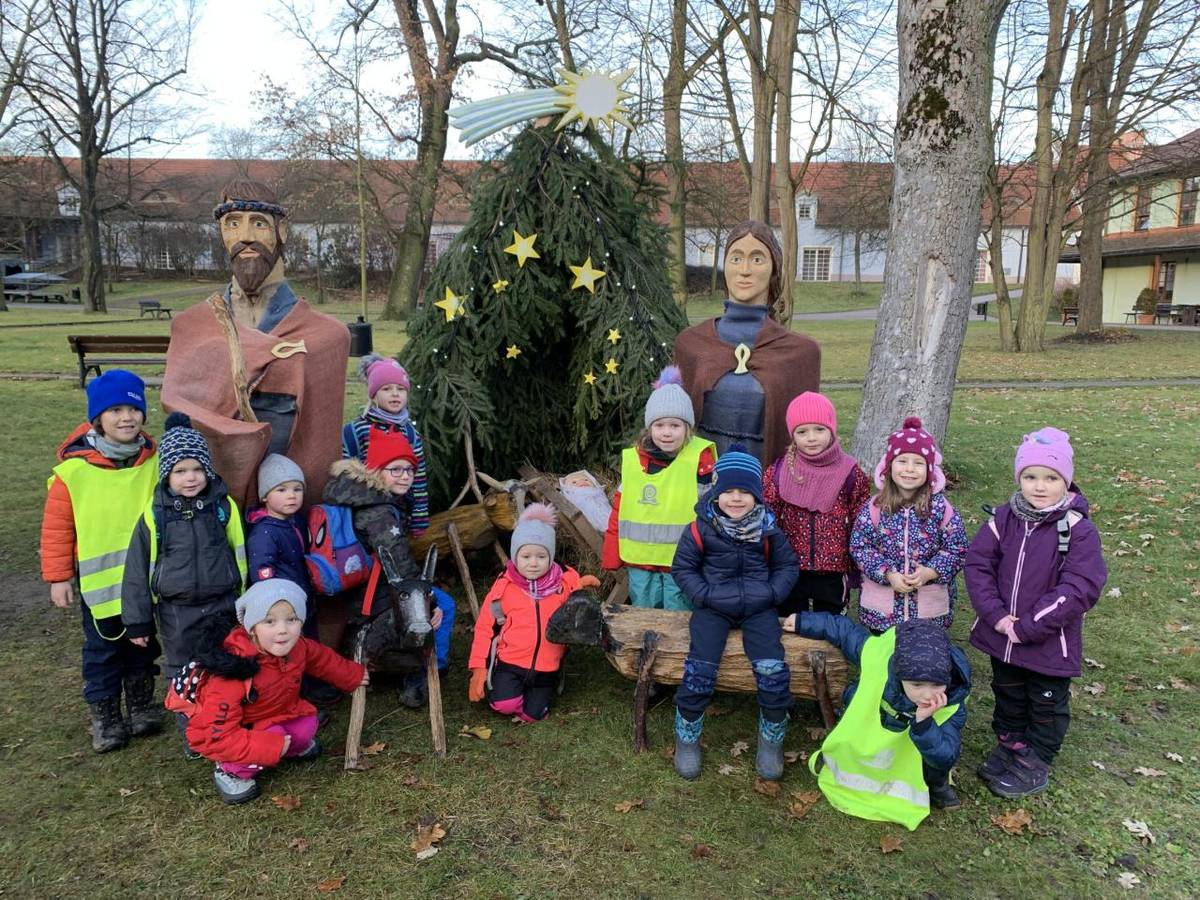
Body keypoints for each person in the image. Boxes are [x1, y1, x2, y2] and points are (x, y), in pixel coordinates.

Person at [161, 180, 350, 509]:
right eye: (232, 223)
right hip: (210, 505)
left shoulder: (327, 337)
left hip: (290, 504)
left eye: (258, 223)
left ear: (283, 231)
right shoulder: (191, 327)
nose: (245, 236)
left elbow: (320, 443)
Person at [966, 428, 1106, 799]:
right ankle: (1011, 745)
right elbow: (979, 565)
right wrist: (996, 616)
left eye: (1050, 478)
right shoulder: (1003, 520)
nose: (1039, 486)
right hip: (1002, 635)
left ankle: (1036, 759)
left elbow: (1080, 587)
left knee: (1045, 702)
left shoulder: (1077, 530)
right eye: (1030, 477)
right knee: (1008, 692)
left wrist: (1029, 626)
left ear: (1066, 481)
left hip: (1047, 642)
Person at [41, 370, 162, 752]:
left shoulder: (154, 462)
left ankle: (141, 704)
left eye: (133, 408)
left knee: (143, 644)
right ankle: (106, 716)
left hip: (144, 582)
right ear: (98, 419)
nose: (126, 417)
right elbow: (58, 530)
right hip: (100, 588)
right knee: (103, 651)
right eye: (115, 410)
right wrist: (59, 577)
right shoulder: (73, 473)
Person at [670, 446, 799, 781]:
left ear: (757, 495)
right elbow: (683, 568)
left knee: (772, 671)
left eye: (745, 491)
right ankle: (687, 738)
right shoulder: (700, 528)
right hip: (713, 608)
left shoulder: (768, 529)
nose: (736, 498)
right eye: (728, 491)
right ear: (716, 492)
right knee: (699, 670)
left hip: (759, 610)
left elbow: (786, 566)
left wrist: (772, 593)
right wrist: (704, 594)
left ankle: (770, 742)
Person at [121, 412, 247, 755]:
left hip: (223, 603)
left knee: (224, 662)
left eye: (197, 469)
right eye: (180, 471)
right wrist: (137, 619)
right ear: (167, 474)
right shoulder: (155, 514)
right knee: (183, 670)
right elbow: (137, 569)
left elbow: (240, 554)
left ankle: (224, 721)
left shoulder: (223, 508)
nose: (190, 478)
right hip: (177, 610)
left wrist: (246, 600)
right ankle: (193, 730)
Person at [180, 579, 368, 804]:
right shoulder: (231, 670)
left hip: (276, 712)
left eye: (292, 619)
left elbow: (321, 659)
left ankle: (286, 746)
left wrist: (351, 675)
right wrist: (268, 746)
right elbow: (215, 734)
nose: (282, 630)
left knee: (306, 726)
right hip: (242, 728)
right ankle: (230, 770)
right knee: (274, 738)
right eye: (269, 621)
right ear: (251, 628)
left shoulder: (298, 647)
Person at [785, 614, 971, 828]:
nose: (927, 695)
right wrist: (803, 622)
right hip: (877, 724)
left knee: (934, 761)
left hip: (917, 743)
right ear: (900, 676)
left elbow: (946, 755)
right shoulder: (877, 656)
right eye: (917, 685)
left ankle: (937, 787)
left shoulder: (953, 702)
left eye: (937, 684)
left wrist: (924, 724)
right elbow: (845, 633)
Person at [323, 429, 454, 707]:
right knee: (446, 606)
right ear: (375, 470)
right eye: (395, 469)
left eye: (409, 469)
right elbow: (402, 568)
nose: (405, 475)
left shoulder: (362, 498)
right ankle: (426, 671)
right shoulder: (379, 512)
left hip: (360, 592)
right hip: (373, 601)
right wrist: (429, 603)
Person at [674, 220, 821, 464]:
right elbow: (672, 427)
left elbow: (811, 439)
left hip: (769, 491)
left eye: (757, 259)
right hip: (701, 486)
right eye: (736, 258)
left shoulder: (800, 354)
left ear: (774, 269)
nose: (745, 270)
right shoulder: (692, 344)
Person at [468, 504, 599, 721]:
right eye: (526, 556)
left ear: (551, 557)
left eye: (541, 556)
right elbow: (484, 628)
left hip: (547, 665)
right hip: (511, 662)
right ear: (514, 556)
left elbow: (574, 606)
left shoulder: (562, 583)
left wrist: (579, 588)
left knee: (534, 714)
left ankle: (540, 694)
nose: (533, 563)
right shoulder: (504, 588)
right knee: (504, 705)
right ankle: (506, 688)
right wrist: (478, 667)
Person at [601, 366, 716, 610]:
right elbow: (620, 507)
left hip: (683, 560)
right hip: (640, 560)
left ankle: (678, 649)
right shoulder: (635, 461)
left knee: (678, 612)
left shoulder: (699, 460)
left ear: (687, 428)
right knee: (644, 609)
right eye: (659, 425)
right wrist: (612, 550)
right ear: (649, 428)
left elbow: (711, 510)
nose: (666, 433)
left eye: (675, 426)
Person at [850, 417, 968, 633]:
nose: (910, 469)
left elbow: (957, 549)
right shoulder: (875, 508)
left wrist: (931, 571)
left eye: (918, 463)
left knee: (923, 661)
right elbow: (860, 547)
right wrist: (888, 573)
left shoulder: (941, 508)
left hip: (928, 611)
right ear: (888, 466)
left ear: (930, 469)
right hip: (882, 610)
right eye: (902, 461)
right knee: (886, 661)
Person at [762, 391, 871, 617]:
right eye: (802, 432)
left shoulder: (850, 473)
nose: (811, 438)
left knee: (831, 623)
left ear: (831, 429)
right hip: (790, 565)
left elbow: (863, 518)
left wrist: (858, 558)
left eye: (819, 429)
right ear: (793, 435)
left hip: (833, 565)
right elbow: (767, 513)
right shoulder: (780, 470)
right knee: (789, 621)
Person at [342, 353, 429, 535]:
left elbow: (419, 476)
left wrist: (420, 516)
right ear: (374, 395)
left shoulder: (411, 433)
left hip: (402, 509)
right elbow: (345, 472)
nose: (395, 394)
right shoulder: (356, 431)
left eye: (401, 389)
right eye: (387, 389)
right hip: (367, 511)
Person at [246, 454, 311, 593]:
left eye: (297, 489)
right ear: (264, 496)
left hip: (304, 596)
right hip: (283, 603)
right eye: (281, 490)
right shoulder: (264, 533)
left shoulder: (298, 521)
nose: (292, 495)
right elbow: (262, 575)